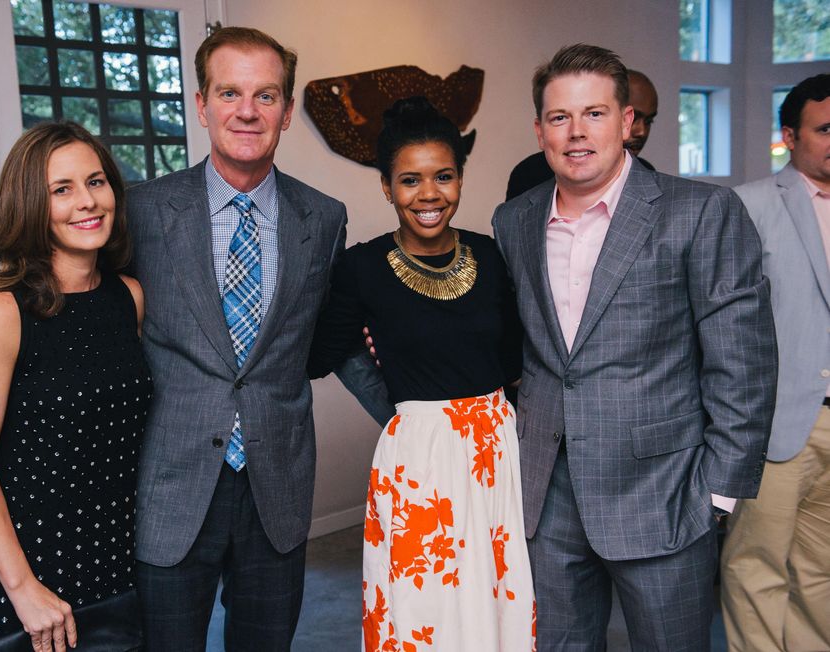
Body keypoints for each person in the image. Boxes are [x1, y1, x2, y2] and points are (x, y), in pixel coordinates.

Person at [492, 44, 777, 650]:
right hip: (547, 495)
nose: (576, 132)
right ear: (539, 128)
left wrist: (718, 493)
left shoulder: (700, 212)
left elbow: (743, 363)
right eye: (559, 117)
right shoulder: (513, 220)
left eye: (594, 113)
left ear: (627, 122)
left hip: (667, 493)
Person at [125, 27, 347, 650]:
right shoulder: (141, 211)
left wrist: (416, 410)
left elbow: (329, 332)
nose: (247, 110)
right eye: (229, 92)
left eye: (265, 95)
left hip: (276, 485)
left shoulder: (323, 217)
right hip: (171, 485)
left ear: (287, 110)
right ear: (201, 104)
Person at [309, 96, 535, 651]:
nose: (429, 195)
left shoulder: (493, 254)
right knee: (423, 606)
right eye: (410, 180)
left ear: (460, 179)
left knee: (495, 594)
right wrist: (398, 408)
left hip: (496, 451)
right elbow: (321, 355)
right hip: (418, 459)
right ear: (387, 187)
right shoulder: (361, 267)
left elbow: (515, 360)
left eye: (444, 177)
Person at [0, 121, 151, 651]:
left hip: (112, 565)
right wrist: (23, 589)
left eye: (96, 181)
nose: (87, 201)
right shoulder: (1, 312)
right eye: (62, 190)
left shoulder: (129, 297)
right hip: (19, 573)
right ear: (31, 206)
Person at [721, 73, 830, 652]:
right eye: (826, 128)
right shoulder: (750, 204)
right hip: (777, 421)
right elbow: (726, 327)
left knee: (821, 575)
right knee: (756, 566)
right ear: (790, 135)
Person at [505, 68, 658, 201]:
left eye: (649, 121)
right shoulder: (530, 174)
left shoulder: (647, 176)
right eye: (560, 118)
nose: (641, 132)